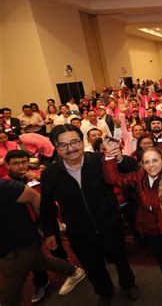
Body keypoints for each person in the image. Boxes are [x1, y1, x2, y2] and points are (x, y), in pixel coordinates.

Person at [40, 124, 139, 305]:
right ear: (55, 147)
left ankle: (128, 283)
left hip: (110, 224)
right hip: (79, 232)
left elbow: (131, 172)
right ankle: (104, 292)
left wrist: (118, 159)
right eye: (63, 145)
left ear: (82, 141)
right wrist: (49, 232)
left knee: (120, 258)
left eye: (74, 142)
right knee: (93, 266)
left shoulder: (100, 161)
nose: (70, 149)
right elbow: (46, 207)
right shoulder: (50, 175)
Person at [103, 124, 162, 306]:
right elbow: (113, 179)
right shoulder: (137, 177)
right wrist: (110, 155)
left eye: (155, 160)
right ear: (141, 164)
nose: (152, 165)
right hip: (150, 231)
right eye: (147, 162)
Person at [0, 178, 85, 306]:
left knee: (9, 291)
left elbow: (36, 199)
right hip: (13, 246)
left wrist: (45, 228)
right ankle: (74, 271)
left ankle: (74, 272)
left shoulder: (5, 186)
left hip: (18, 244)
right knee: (41, 262)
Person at [3, 149, 69, 303]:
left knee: (56, 248)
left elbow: (56, 195)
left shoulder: (39, 175)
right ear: (7, 165)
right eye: (16, 163)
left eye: (24, 162)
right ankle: (41, 282)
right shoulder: (6, 183)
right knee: (33, 258)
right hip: (23, 227)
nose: (21, 166)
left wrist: (41, 179)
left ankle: (70, 273)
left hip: (46, 220)